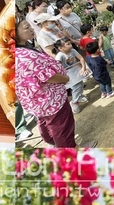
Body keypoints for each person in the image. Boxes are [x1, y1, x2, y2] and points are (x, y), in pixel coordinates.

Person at [11, 12, 78, 147]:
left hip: (38, 101)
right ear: (14, 34)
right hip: (50, 100)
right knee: (62, 127)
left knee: (45, 121)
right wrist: (65, 79)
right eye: (25, 27)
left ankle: (51, 140)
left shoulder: (18, 51)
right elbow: (49, 77)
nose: (30, 29)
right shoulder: (27, 56)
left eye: (29, 26)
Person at [52, 38, 89, 113]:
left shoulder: (73, 50)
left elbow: (81, 58)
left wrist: (83, 67)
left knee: (80, 84)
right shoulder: (60, 55)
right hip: (68, 74)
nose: (70, 45)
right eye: (68, 44)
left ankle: (79, 96)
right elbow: (57, 67)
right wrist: (63, 78)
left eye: (70, 43)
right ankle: (74, 102)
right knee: (76, 87)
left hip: (75, 70)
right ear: (60, 48)